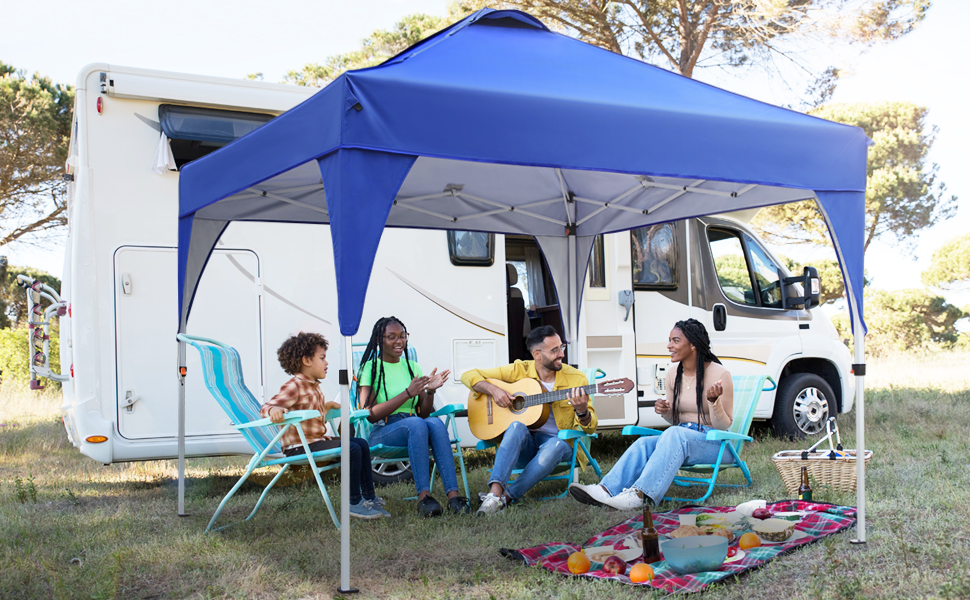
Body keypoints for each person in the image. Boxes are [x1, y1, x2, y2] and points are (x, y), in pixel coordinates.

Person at [569, 318, 734, 510]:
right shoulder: (674, 373)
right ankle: (605, 490)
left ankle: (639, 495)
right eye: (669, 340)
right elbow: (676, 423)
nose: (669, 345)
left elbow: (724, 426)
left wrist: (713, 402)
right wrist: (666, 412)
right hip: (682, 438)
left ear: (693, 345)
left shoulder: (720, 375)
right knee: (643, 443)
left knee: (674, 434)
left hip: (715, 445)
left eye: (675, 341)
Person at [462, 325, 597, 514]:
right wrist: (495, 390)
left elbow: (590, 428)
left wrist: (582, 411)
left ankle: (506, 499)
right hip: (523, 447)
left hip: (558, 445)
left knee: (556, 444)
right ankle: (494, 494)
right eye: (555, 350)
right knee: (516, 425)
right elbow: (467, 375)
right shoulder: (519, 370)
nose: (561, 354)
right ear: (537, 355)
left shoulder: (576, 379)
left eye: (562, 347)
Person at [260, 332, 389, 520]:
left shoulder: (313, 386)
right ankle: (353, 502)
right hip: (300, 447)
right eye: (322, 358)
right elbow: (267, 406)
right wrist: (274, 410)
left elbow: (308, 409)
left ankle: (369, 497)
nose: (327, 363)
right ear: (306, 360)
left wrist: (326, 406)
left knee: (360, 443)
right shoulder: (295, 385)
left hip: (316, 441)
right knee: (352, 448)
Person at [357, 316, 471, 517]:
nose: (399, 341)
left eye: (402, 336)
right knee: (417, 424)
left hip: (413, 424)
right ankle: (424, 499)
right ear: (378, 340)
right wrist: (407, 393)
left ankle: (454, 498)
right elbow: (371, 415)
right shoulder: (371, 368)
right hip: (384, 430)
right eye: (391, 337)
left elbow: (423, 413)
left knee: (434, 422)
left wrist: (431, 392)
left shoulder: (413, 367)